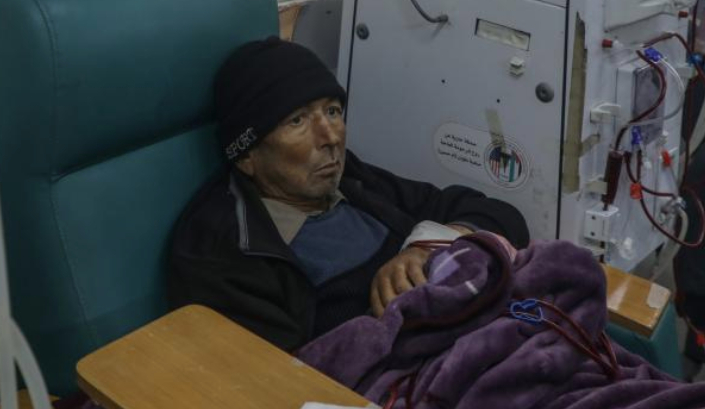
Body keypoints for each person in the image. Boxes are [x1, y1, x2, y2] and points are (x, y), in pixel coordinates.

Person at [167, 37, 529, 350]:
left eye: (332, 111)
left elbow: (500, 215)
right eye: (297, 121)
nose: (330, 137)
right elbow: (282, 380)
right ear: (247, 156)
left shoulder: (351, 180)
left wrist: (424, 248)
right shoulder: (223, 250)